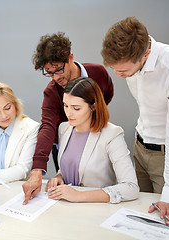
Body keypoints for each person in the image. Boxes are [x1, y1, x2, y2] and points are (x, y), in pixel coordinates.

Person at [101, 17, 169, 224]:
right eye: (114, 69)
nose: (117, 75)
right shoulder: (131, 61)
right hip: (140, 147)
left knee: (162, 223)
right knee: (136, 214)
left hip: (167, 155)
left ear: (144, 55)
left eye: (123, 71)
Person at [22, 32, 114, 204]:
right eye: (50, 73)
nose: (56, 78)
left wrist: (93, 118)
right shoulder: (51, 92)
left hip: (97, 136)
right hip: (67, 144)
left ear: (70, 57)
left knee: (98, 184)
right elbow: (47, 126)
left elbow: (106, 95)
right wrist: (37, 171)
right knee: (67, 192)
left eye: (58, 69)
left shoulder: (99, 73)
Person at [46, 77, 139, 203]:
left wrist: (79, 196)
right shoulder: (64, 128)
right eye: (66, 105)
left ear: (93, 106)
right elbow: (73, 164)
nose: (68, 113)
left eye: (76, 108)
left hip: (96, 208)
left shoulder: (112, 134)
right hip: (64, 205)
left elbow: (131, 188)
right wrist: (59, 176)